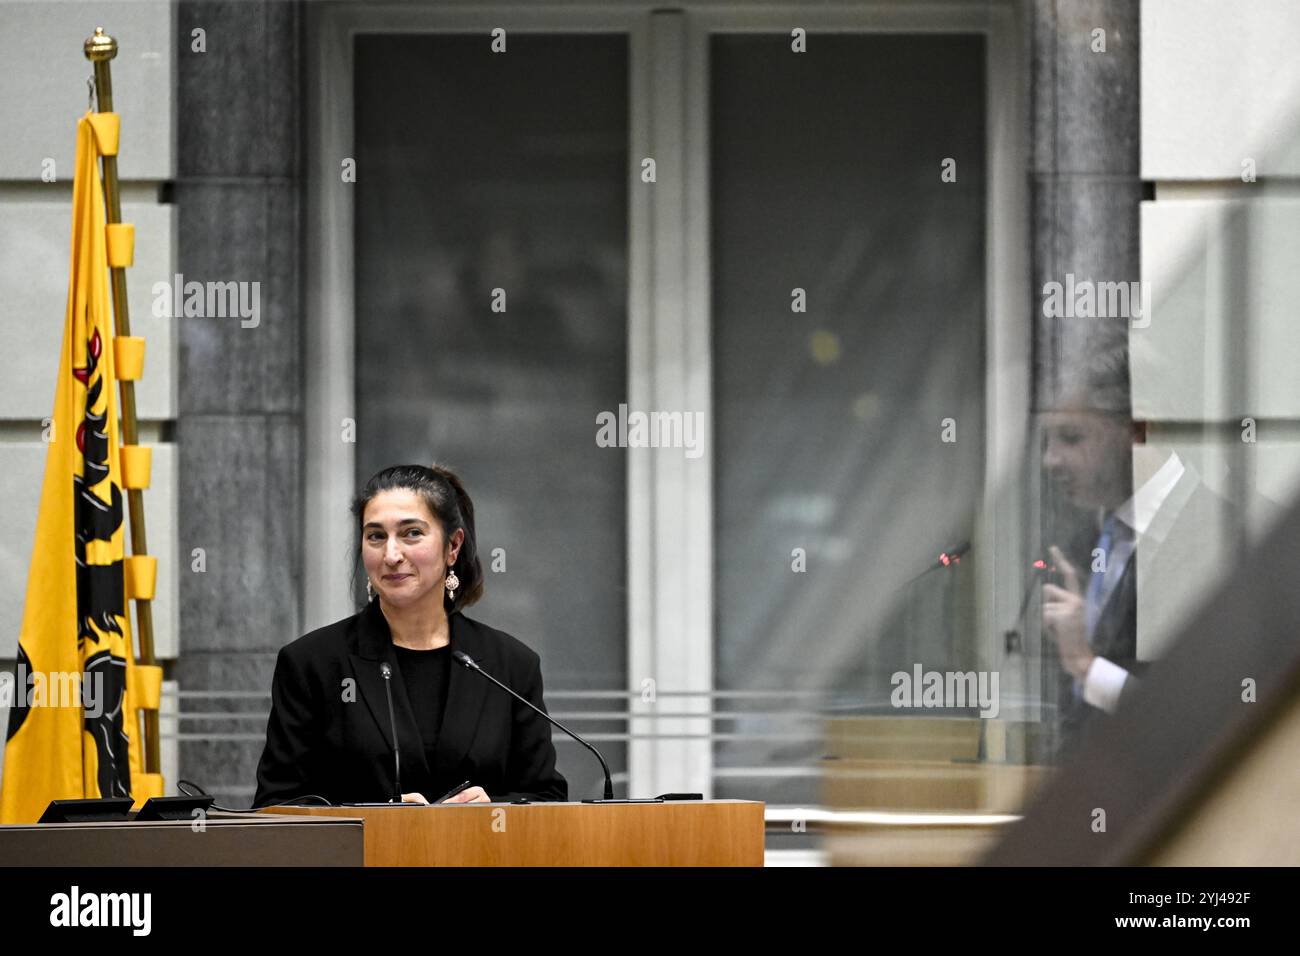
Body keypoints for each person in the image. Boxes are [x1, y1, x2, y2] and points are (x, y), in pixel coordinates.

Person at [253, 464, 567, 806]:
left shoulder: (509, 665)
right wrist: (378, 818)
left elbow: (546, 797)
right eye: (375, 536)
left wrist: (494, 809)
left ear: (453, 546)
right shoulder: (312, 663)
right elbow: (277, 807)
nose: (391, 555)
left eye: (411, 533)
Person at [1040, 348, 1245, 755]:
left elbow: (1202, 719)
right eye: (1047, 440)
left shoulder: (1220, 539)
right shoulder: (1083, 541)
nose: (1050, 460)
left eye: (1072, 437)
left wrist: (1086, 665)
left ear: (1137, 429)